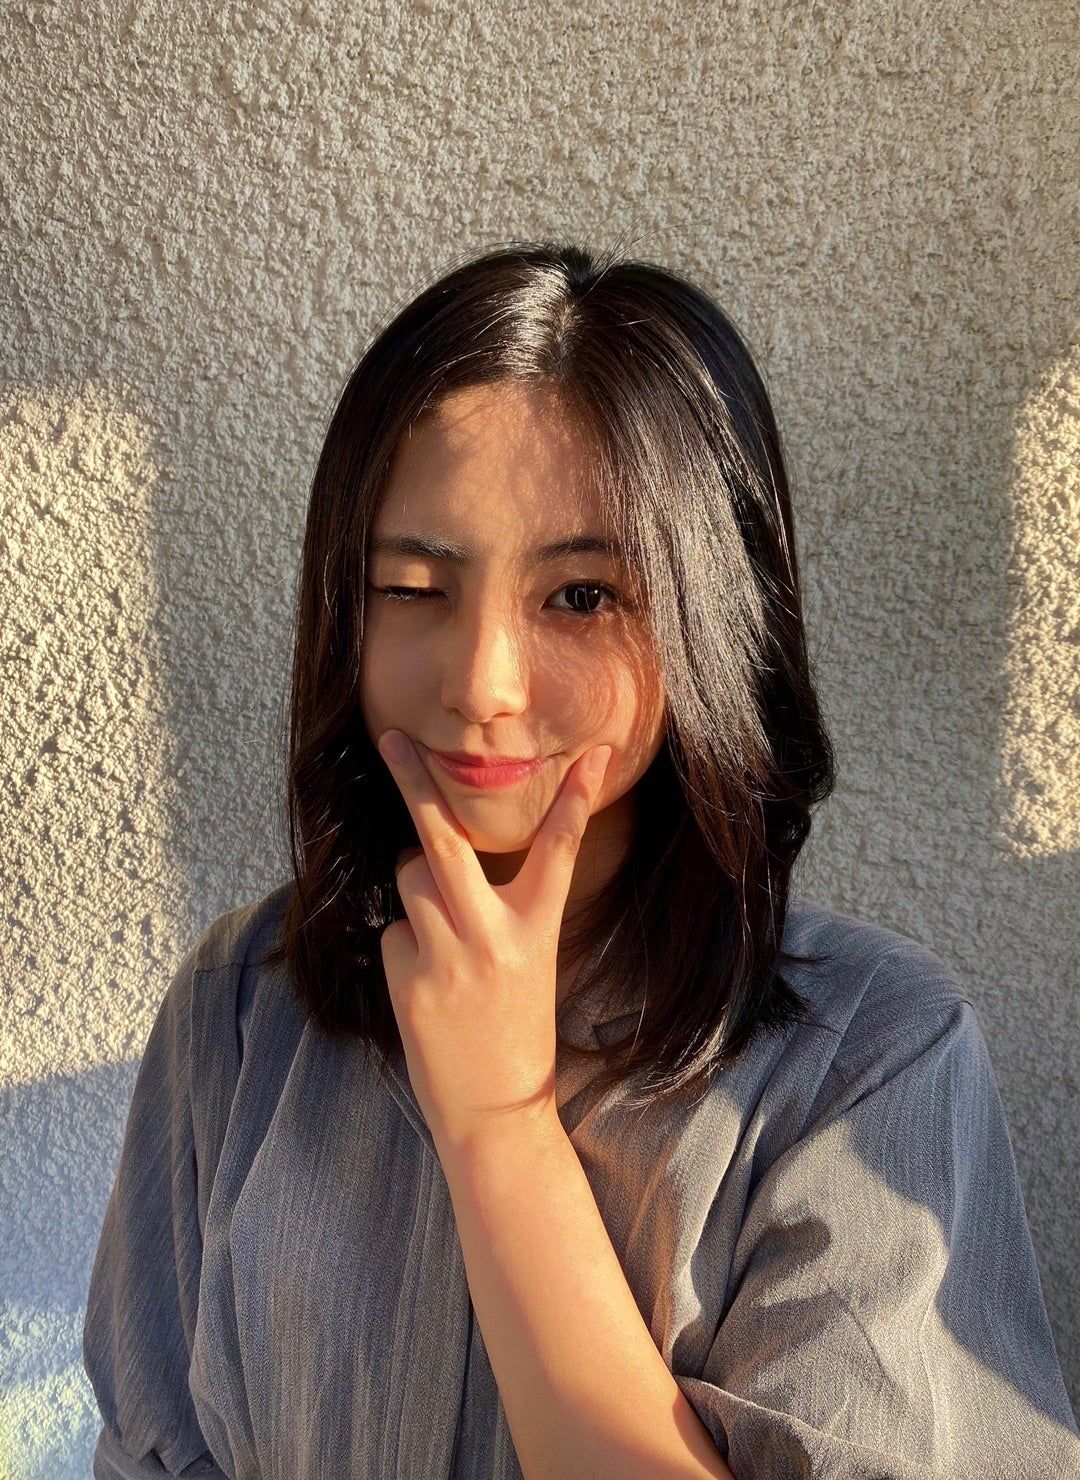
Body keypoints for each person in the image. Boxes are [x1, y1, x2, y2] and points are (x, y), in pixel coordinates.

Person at [82, 240, 1079, 1479]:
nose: (481, 684)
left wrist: (501, 1125)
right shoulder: (241, 1005)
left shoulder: (871, 1059)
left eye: (582, 597)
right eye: (412, 586)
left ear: (711, 614)